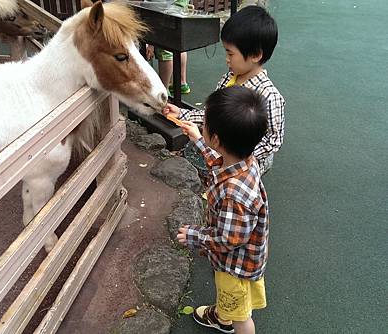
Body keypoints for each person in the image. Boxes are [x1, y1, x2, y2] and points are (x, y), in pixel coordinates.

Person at [177, 86, 269, 334]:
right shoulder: (245, 161)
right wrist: (197, 138)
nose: (202, 124)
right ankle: (222, 316)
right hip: (237, 261)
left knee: (241, 315)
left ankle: (228, 320)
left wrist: (194, 235)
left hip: (235, 267)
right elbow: (219, 162)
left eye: (204, 123)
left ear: (216, 139)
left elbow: (228, 239)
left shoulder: (234, 195)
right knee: (230, 301)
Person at [163, 5, 285, 175]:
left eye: (231, 54)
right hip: (222, 151)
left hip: (245, 163)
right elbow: (212, 114)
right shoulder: (229, 78)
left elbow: (273, 140)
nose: (227, 60)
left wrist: (239, 158)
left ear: (256, 55)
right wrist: (182, 114)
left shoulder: (269, 96)